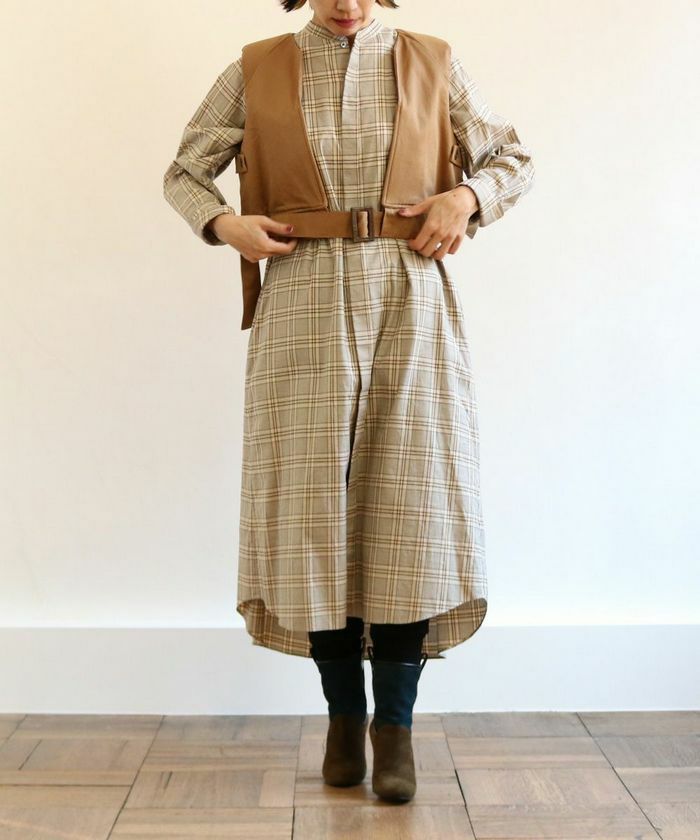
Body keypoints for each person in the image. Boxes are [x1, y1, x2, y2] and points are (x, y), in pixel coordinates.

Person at [163, 0, 534, 803]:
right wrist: (225, 225)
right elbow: (185, 172)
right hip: (300, 296)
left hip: (409, 295)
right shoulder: (258, 67)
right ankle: (342, 717)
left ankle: (394, 728)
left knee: (407, 505)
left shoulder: (433, 60)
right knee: (313, 509)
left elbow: (512, 158)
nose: (348, 3)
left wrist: (465, 199)